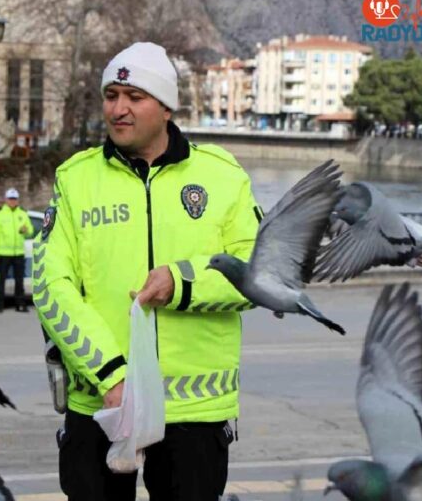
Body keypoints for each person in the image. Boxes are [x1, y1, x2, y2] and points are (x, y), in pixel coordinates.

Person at [32, 42, 262, 501]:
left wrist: (183, 283)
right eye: (111, 95)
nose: (119, 109)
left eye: (134, 97)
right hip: (102, 404)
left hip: (194, 413)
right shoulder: (75, 179)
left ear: (166, 107)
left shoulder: (223, 176)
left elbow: (260, 275)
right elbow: (50, 286)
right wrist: (110, 376)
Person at [0, 188, 35, 313]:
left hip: (19, 253)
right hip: (3, 254)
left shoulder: (23, 213)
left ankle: (20, 304)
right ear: (6, 199)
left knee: (19, 280)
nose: (12, 201)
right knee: (1, 280)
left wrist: (27, 231)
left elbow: (30, 230)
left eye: (14, 199)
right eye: (10, 199)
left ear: (17, 200)